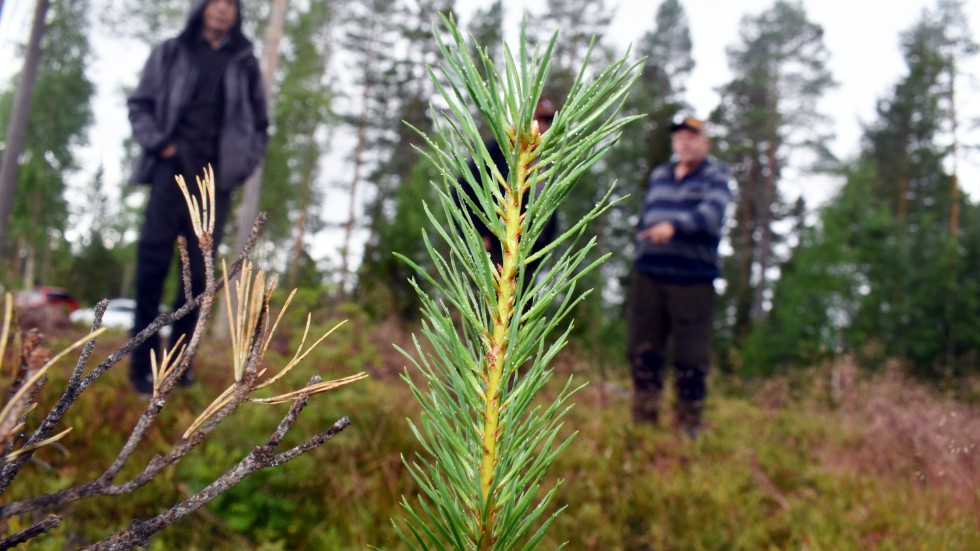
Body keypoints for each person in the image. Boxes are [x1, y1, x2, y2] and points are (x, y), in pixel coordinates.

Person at [127, 0, 268, 396]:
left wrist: (239, 169)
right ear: (201, 7)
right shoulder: (171, 52)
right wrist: (161, 146)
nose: (223, 9)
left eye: (231, 4)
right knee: (151, 265)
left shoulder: (245, 63)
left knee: (200, 278)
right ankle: (141, 366)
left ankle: (178, 366)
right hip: (168, 169)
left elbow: (260, 126)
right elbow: (140, 106)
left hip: (214, 182)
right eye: (215, 1)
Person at [628, 114, 732, 438]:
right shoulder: (660, 175)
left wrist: (674, 227)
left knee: (691, 356)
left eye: (691, 136)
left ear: (706, 143)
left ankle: (689, 426)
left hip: (692, 280)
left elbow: (712, 214)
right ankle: (644, 421)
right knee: (643, 350)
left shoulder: (716, 176)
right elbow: (646, 216)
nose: (683, 142)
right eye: (679, 137)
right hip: (650, 276)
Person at [458, 97, 559, 282]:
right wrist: (478, 236)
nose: (545, 127)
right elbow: (462, 190)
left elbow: (551, 208)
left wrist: (542, 252)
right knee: (491, 309)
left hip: (528, 261)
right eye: (541, 119)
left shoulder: (545, 161)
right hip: (497, 253)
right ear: (526, 119)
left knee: (522, 309)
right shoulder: (497, 150)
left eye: (549, 121)